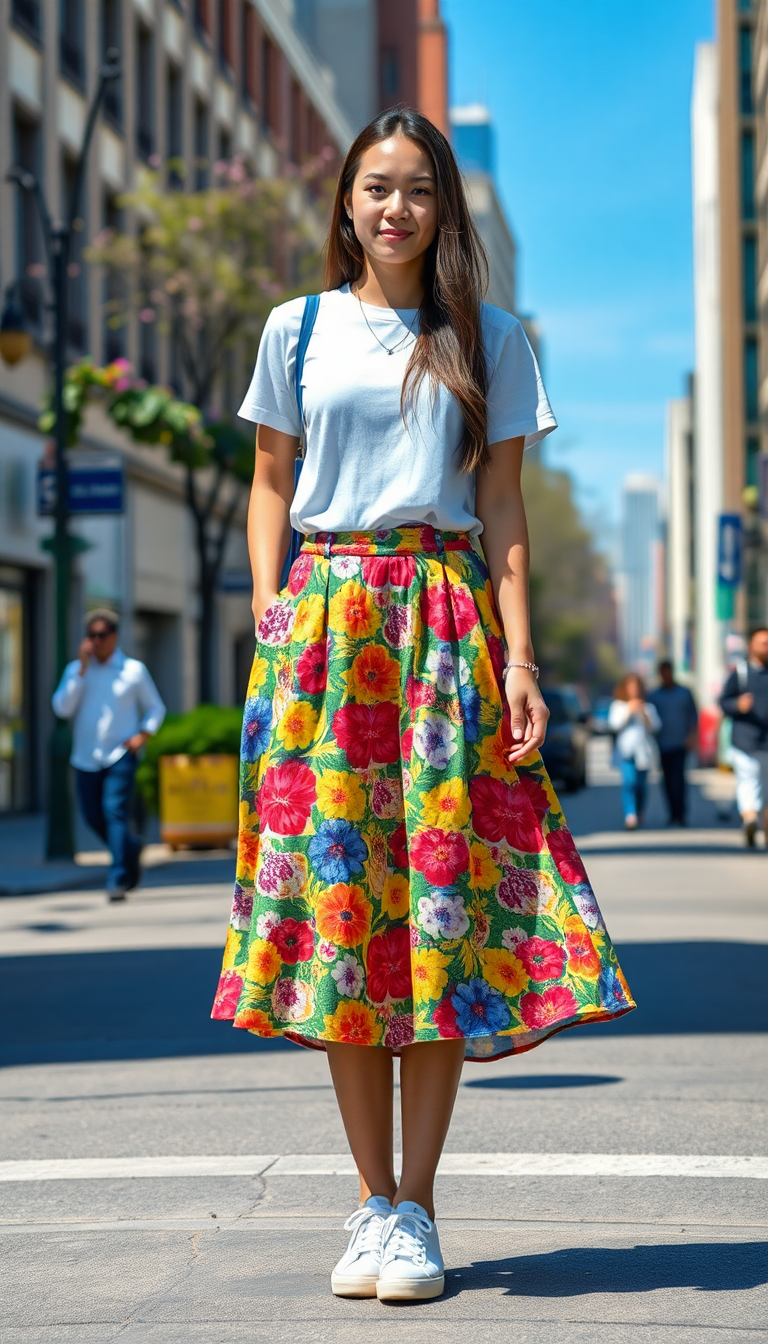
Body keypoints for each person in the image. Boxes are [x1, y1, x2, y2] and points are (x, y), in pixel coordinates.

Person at [212, 108, 635, 1304]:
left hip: (443, 627)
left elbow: (501, 511)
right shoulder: (295, 330)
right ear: (344, 202)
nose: (394, 208)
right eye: (374, 187)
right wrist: (268, 605)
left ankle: (423, 1213)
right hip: (328, 629)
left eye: (416, 191)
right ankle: (370, 1205)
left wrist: (522, 661)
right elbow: (269, 481)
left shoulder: (489, 337)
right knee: (343, 914)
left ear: (442, 209)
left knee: (439, 912)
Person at [52, 608, 166, 900]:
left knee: (114, 812)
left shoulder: (133, 670)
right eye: (91, 635)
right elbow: (61, 708)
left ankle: (117, 878)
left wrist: (142, 735)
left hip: (120, 754)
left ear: (114, 637)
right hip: (85, 755)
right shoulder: (76, 670)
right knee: (92, 816)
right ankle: (130, 848)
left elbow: (156, 707)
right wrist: (80, 670)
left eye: (102, 635)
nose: (96, 641)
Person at [719, 626, 768, 848]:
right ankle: (750, 820)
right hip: (745, 741)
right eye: (763, 643)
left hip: (766, 742)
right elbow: (723, 703)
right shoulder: (740, 674)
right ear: (751, 646)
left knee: (765, 789)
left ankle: (762, 824)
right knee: (748, 783)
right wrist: (737, 705)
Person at [647, 660, 698, 826]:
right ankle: (672, 813)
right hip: (662, 744)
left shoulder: (684, 693)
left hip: (681, 743)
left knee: (680, 779)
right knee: (667, 780)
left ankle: (681, 813)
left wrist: (691, 736)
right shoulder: (654, 696)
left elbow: (693, 717)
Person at [609, 674, 661, 829]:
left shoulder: (648, 707)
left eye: (636, 686)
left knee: (641, 785)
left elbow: (657, 727)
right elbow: (614, 725)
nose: (634, 690)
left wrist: (644, 714)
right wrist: (629, 711)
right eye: (630, 686)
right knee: (629, 783)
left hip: (643, 752)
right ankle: (630, 815)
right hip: (626, 752)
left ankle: (639, 811)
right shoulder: (618, 706)